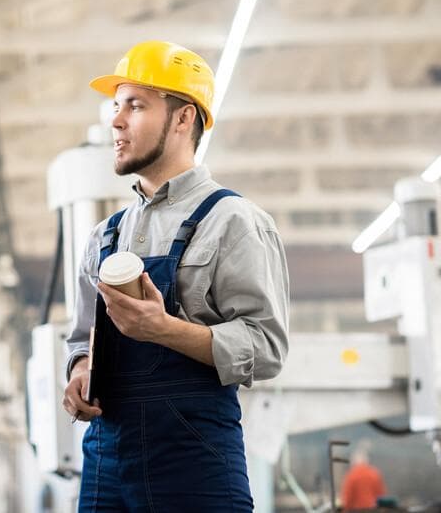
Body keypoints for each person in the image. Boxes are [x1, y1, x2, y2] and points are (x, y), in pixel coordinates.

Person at [61, 40, 290, 512]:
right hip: (106, 457)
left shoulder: (233, 222)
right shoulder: (103, 237)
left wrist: (164, 330)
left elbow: (266, 348)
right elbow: (81, 339)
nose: (116, 120)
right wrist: (80, 370)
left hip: (193, 456)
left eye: (135, 105)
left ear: (184, 118)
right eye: (116, 105)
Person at [341, 440, 387, 511]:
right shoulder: (374, 473)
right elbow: (381, 495)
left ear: (354, 461)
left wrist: (345, 510)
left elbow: (347, 498)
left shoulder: (352, 475)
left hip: (357, 510)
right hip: (373, 510)